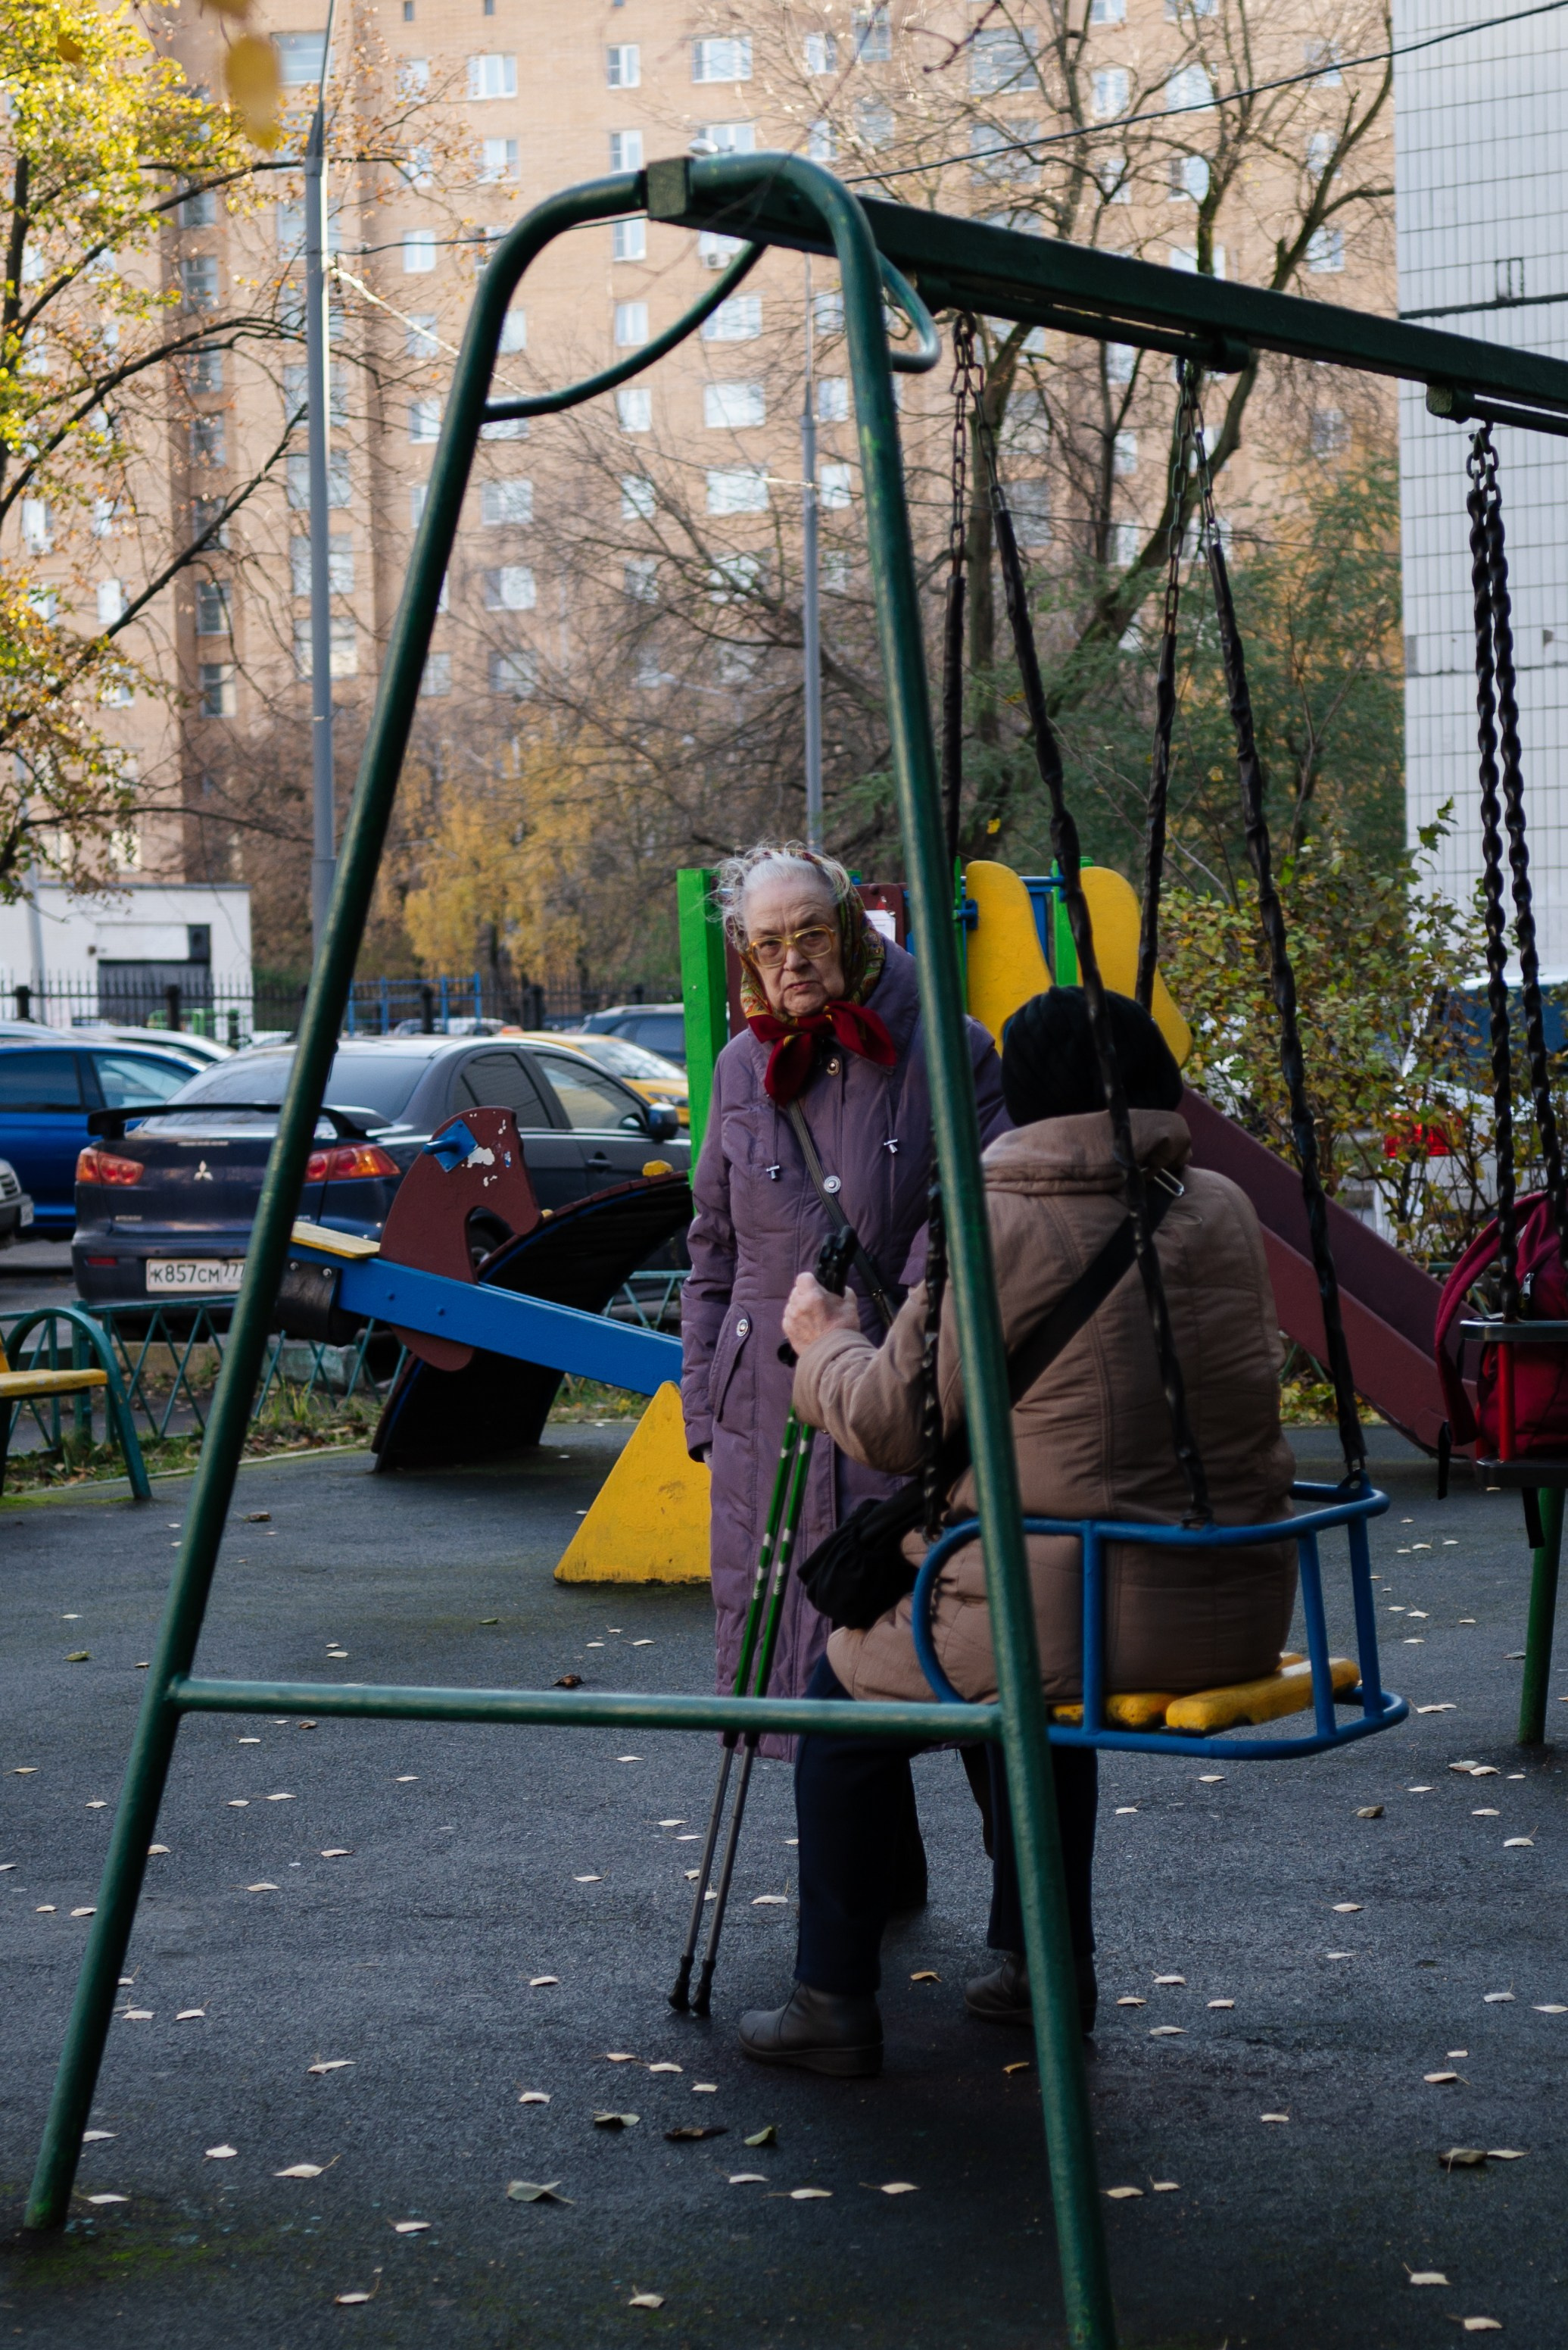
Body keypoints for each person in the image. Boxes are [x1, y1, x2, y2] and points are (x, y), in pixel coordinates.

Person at [738, 987, 1295, 2077]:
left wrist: (822, 1346)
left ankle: (831, 2002)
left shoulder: (994, 1221)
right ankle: (1046, 1965)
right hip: (1236, 1599)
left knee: (839, 1695)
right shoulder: (1221, 1205)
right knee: (1035, 1680)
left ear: (1023, 1104)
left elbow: (895, 1426)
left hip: (1080, 1611)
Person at [680, 844, 1011, 1896]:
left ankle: (1027, 1914)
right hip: (767, 1411)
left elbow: (981, 1222)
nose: (790, 962)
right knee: (805, 1658)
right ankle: (876, 1889)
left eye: (809, 934)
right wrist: (706, 1401)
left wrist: (903, 1345)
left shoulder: (952, 1050)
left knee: (948, 1650)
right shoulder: (742, 1066)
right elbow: (712, 1248)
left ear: (854, 930)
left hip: (901, 1392)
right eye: (766, 944)